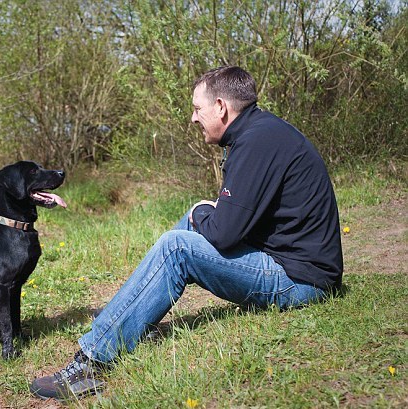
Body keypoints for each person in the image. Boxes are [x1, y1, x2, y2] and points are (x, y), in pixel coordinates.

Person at [30, 66, 343, 400]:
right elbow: (235, 222)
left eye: (198, 109)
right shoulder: (260, 132)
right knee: (194, 219)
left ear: (221, 107)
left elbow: (223, 235)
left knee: (176, 246)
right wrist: (201, 213)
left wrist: (200, 212)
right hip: (291, 262)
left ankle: (91, 363)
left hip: (302, 282)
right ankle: (131, 320)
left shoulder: (255, 143)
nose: (194, 119)